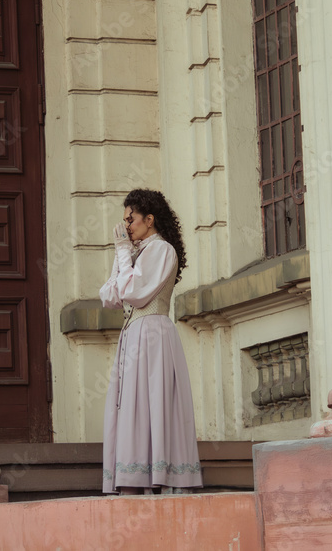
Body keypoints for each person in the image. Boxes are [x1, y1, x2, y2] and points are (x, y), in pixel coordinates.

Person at [99, 189, 202, 495]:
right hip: (133, 334)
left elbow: (134, 293)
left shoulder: (161, 250)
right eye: (124, 221)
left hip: (153, 334)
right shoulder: (137, 252)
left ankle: (161, 473)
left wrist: (124, 253)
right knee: (133, 404)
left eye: (130, 219)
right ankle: (135, 474)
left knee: (154, 401)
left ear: (150, 219)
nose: (126, 226)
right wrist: (123, 254)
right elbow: (110, 296)